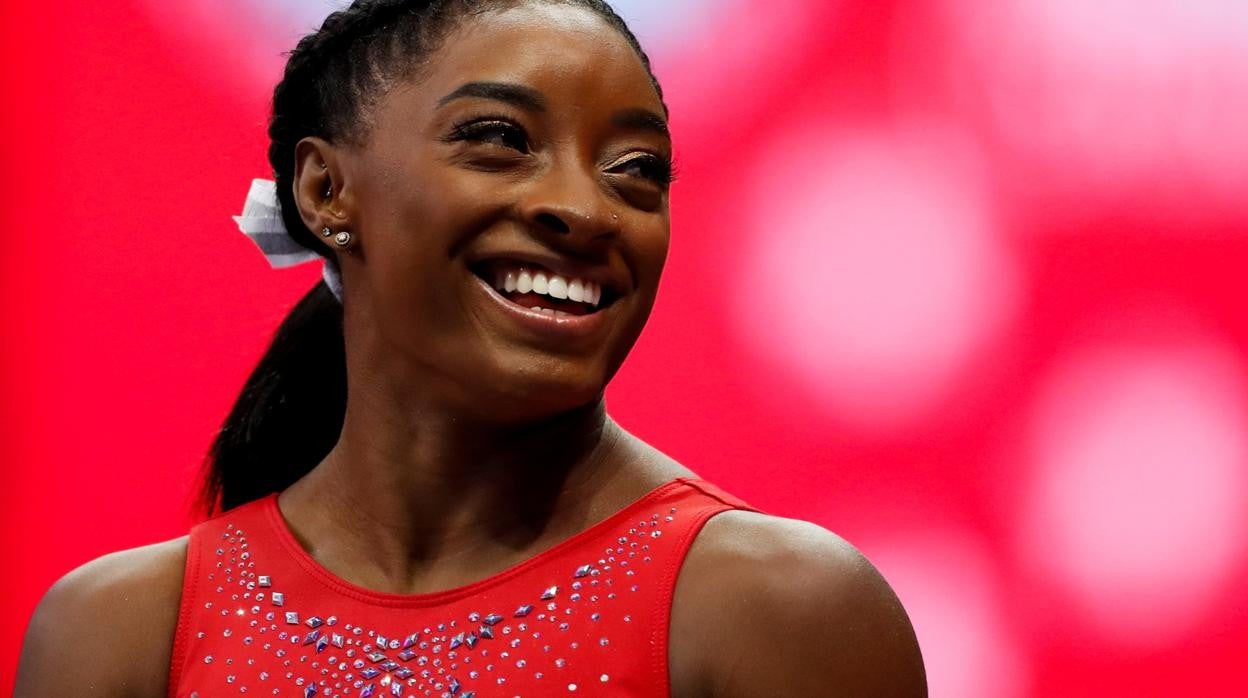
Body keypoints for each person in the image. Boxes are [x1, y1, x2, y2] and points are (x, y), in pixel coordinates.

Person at [15, 1, 926, 695]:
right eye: (500, 139)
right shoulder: (120, 632)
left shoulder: (776, 611)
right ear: (326, 189)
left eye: (637, 170)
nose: (585, 208)